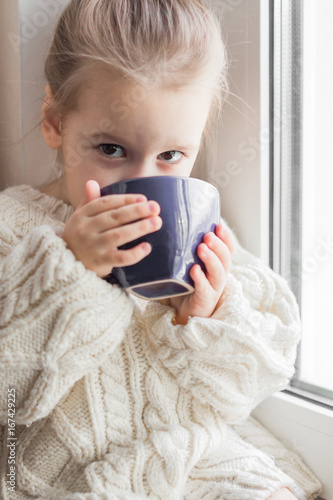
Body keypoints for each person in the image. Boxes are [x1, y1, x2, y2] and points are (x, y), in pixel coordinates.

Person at [0, 0, 321, 499]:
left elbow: (255, 379)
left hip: (197, 462)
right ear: (54, 122)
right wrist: (71, 271)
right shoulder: (14, 227)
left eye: (171, 155)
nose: (140, 183)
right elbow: (9, 394)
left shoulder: (202, 232)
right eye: (111, 150)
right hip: (70, 478)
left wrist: (210, 315)